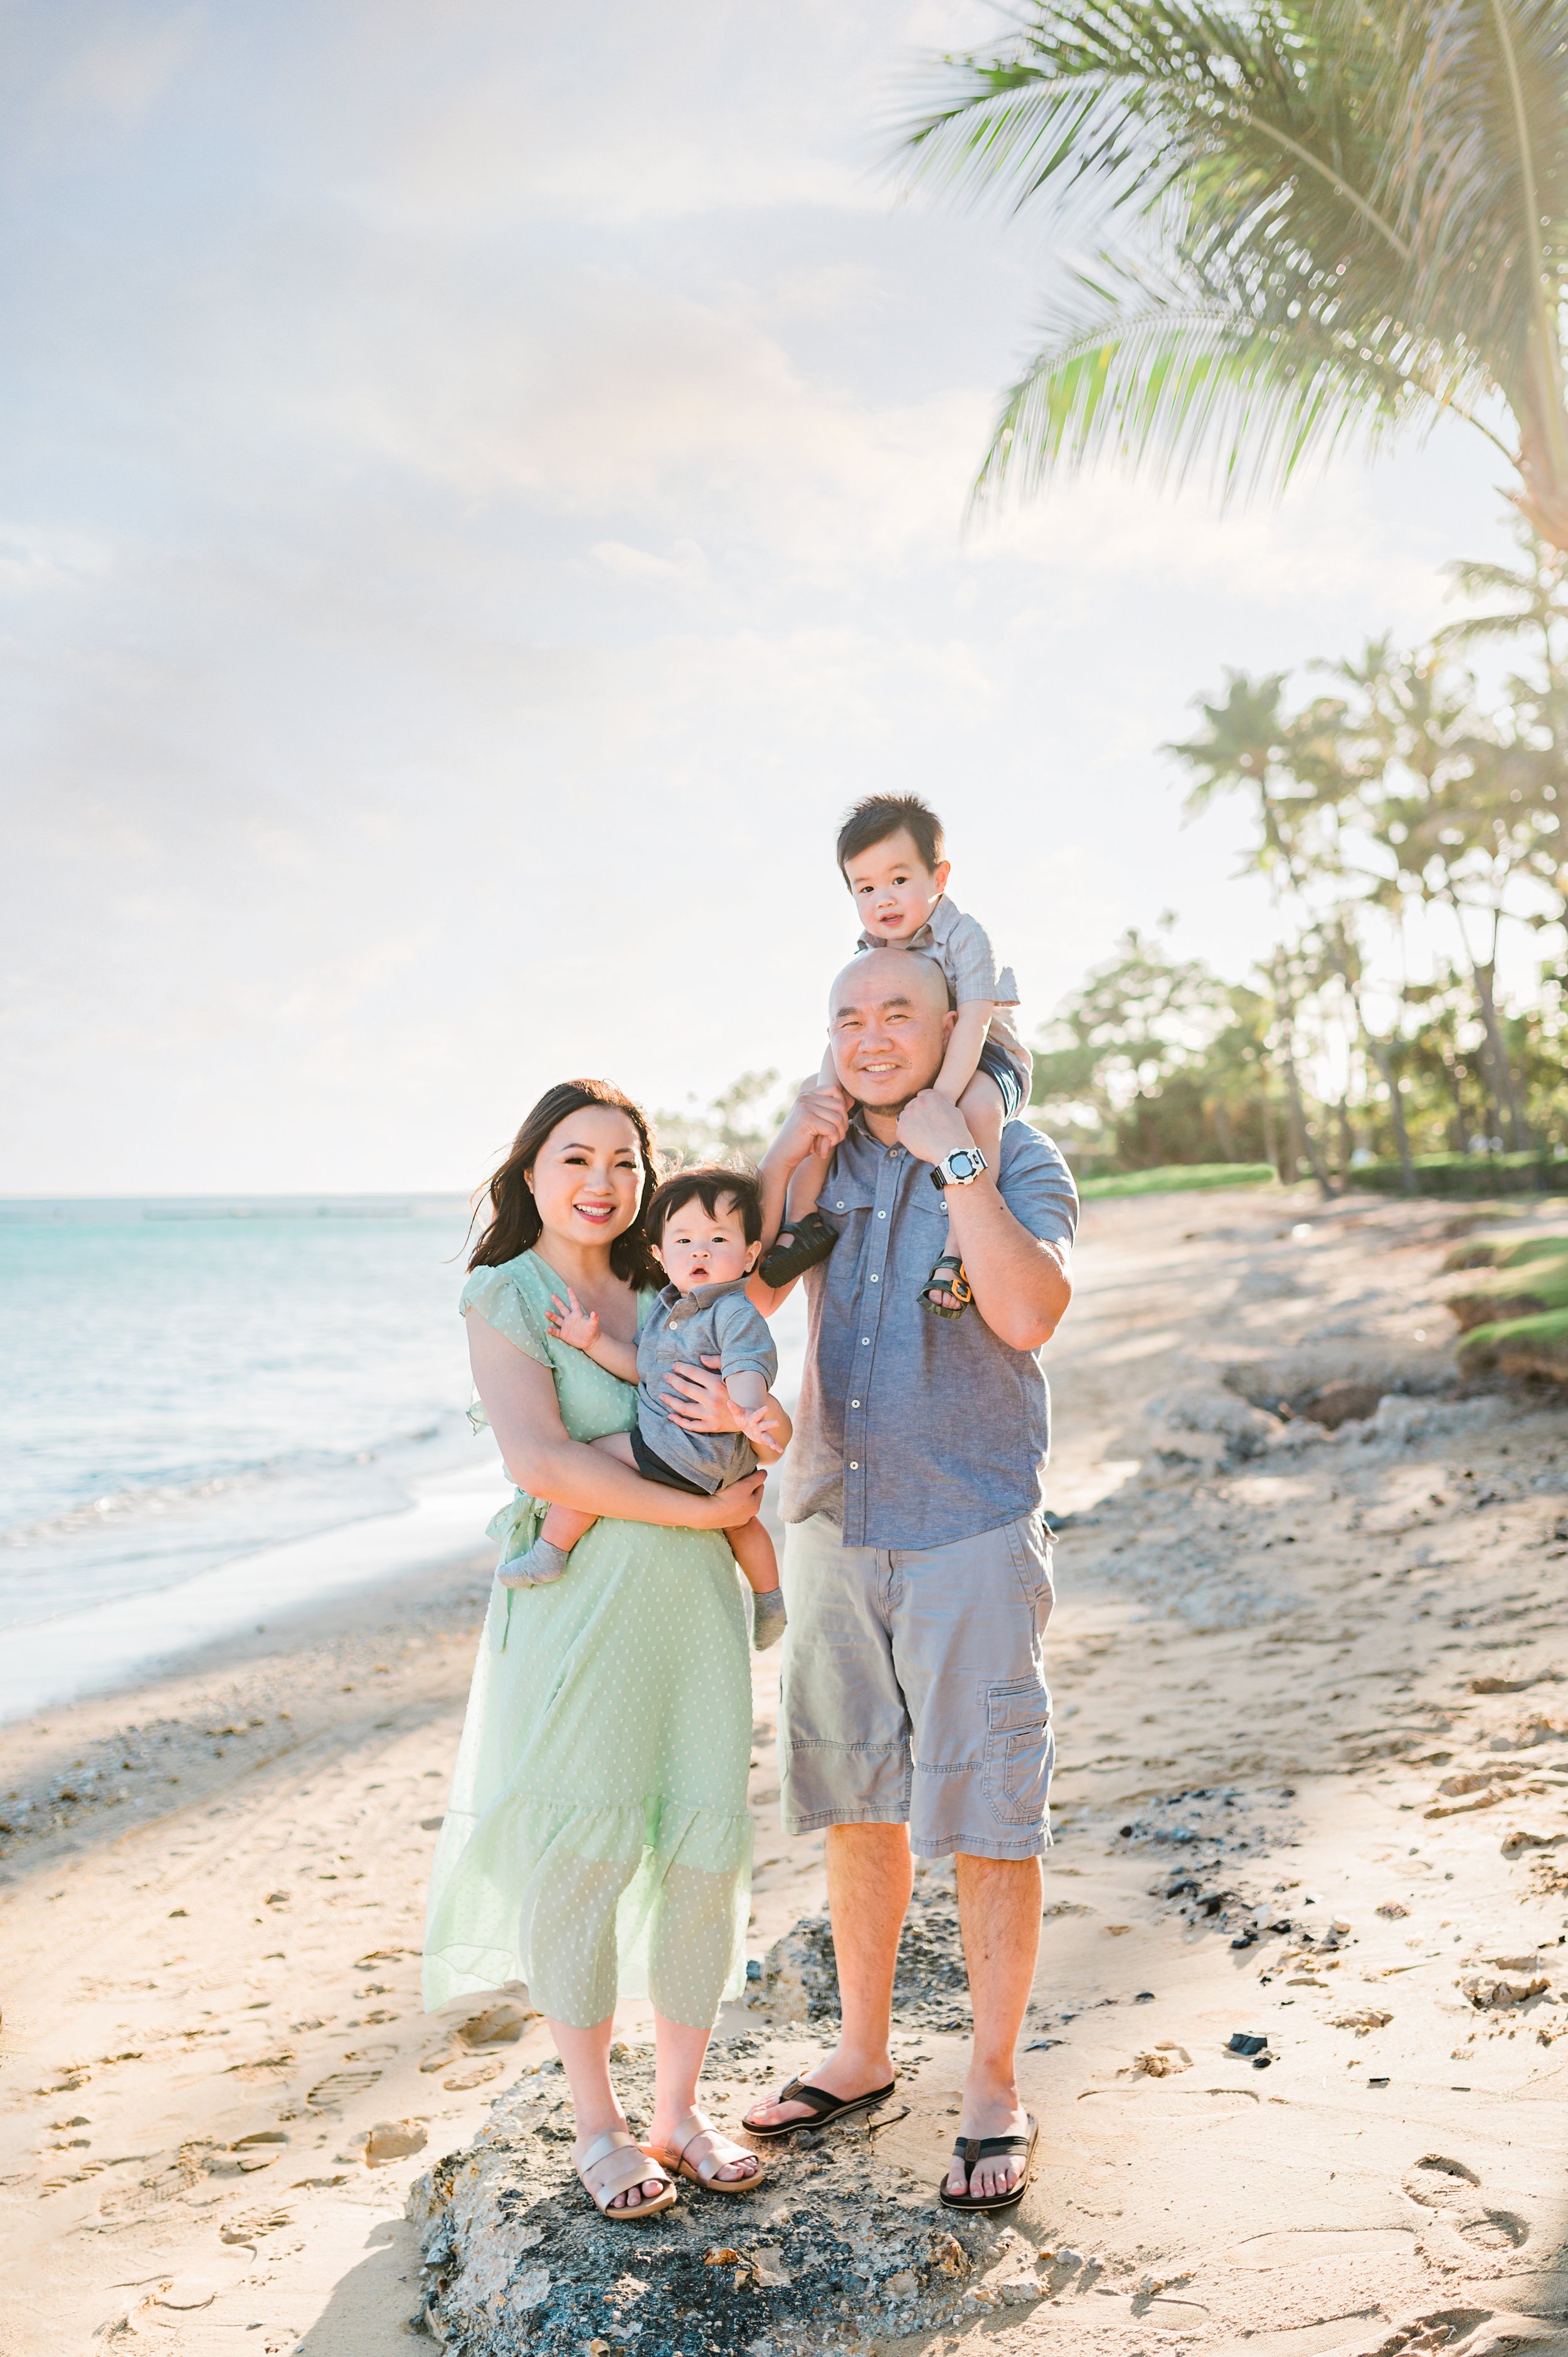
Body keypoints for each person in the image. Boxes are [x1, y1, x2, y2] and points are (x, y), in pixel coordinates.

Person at [740, 951, 1076, 2214]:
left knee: (989, 1809)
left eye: (896, 1013)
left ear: (950, 1030)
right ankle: (862, 2050)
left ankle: (990, 2086)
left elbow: (1028, 1311)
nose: (869, 1035)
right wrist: (789, 1141)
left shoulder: (1015, 1152)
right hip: (832, 1519)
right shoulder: (825, 1165)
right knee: (857, 1796)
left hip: (968, 1528)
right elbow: (742, 1284)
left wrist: (958, 1153)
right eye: (845, 1015)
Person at [422, 1080, 774, 2218]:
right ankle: (598, 2121)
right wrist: (710, 1513)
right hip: (583, 1606)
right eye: (576, 1158)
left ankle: (679, 2109)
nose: (603, 1182)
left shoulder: (672, 1277)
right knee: (586, 1846)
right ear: (531, 1172)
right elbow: (543, 1463)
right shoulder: (505, 1293)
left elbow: (765, 1274)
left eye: (626, 1161)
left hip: (694, 1608)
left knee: (703, 1846)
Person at [761, 793, 1032, 1318]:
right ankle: (801, 1222)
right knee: (820, 1100)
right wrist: (829, 1091)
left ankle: (958, 1255)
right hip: (923, 1058)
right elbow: (860, 1023)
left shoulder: (966, 936)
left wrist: (938, 1105)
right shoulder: (872, 946)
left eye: (899, 881)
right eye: (866, 888)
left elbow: (973, 1022)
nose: (883, 899)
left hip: (985, 1058)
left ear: (939, 877)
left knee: (976, 1110)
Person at [501, 1165, 790, 1649]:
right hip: (724, 1463)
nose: (700, 1250)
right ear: (659, 1254)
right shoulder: (672, 1306)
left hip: (678, 1446)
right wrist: (593, 1343)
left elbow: (747, 1364)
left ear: (749, 1256)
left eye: (719, 1239)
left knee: (594, 1458)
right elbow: (645, 1368)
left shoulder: (734, 1310)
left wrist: (745, 1407)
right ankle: (771, 1601)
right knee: (744, 1523)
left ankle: (552, 1549)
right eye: (684, 1241)